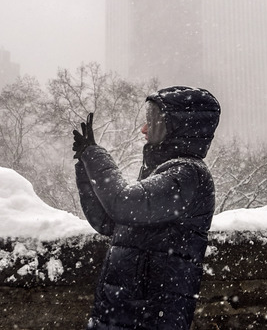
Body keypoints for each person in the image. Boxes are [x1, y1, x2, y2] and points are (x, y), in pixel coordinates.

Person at [72, 86, 221, 330]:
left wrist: (95, 155)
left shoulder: (187, 174)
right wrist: (85, 165)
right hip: (123, 313)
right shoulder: (165, 173)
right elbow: (109, 222)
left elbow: (122, 204)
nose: (143, 129)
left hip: (148, 317)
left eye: (152, 123)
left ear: (178, 129)